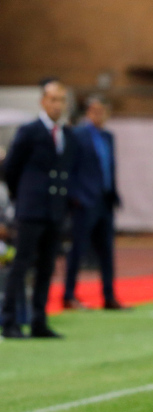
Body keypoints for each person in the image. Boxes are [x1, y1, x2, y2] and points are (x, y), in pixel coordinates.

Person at [1, 79, 79, 339]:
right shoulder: (29, 131)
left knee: (46, 266)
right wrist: (23, 195)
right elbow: (11, 168)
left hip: (55, 209)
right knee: (21, 264)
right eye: (53, 99)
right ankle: (10, 321)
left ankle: (39, 321)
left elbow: (68, 171)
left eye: (62, 100)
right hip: (31, 209)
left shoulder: (67, 135)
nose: (58, 105)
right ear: (43, 102)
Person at [63, 96, 128, 311]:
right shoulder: (78, 135)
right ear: (88, 112)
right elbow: (69, 167)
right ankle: (69, 295)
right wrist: (75, 196)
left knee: (107, 251)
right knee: (78, 249)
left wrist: (113, 193)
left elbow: (109, 168)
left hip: (105, 200)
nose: (98, 115)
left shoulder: (108, 136)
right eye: (94, 111)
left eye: (102, 111)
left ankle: (109, 296)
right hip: (85, 200)